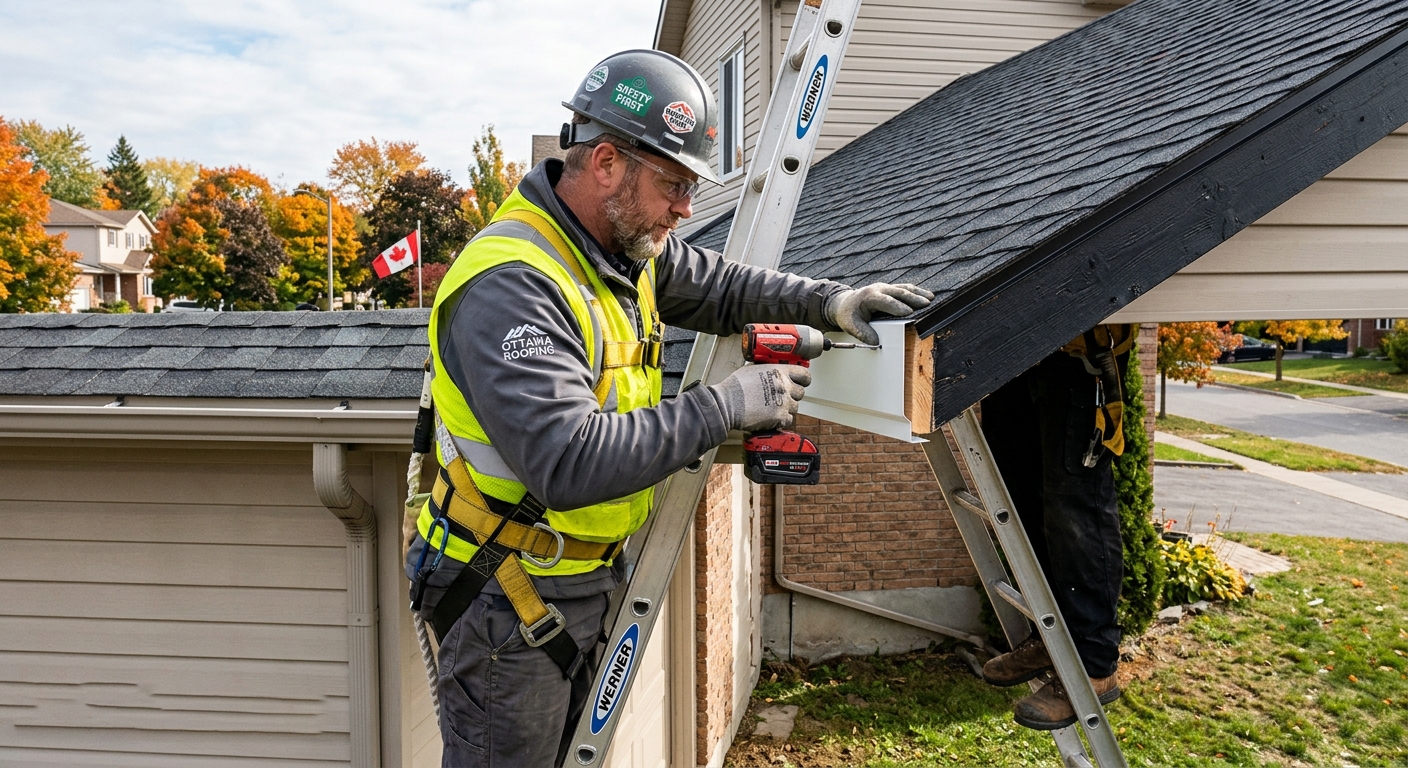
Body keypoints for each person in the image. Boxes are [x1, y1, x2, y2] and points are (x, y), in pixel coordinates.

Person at [404, 49, 934, 767]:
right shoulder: (514, 284)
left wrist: (829, 302)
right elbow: (567, 461)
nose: (686, 209)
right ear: (607, 163)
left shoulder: (620, 249)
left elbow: (720, 287)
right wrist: (728, 405)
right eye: (674, 184)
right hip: (507, 593)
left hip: (577, 577)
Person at [978, 324, 1137, 730]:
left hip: (1080, 352)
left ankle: (1094, 667)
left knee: (1075, 508)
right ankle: (1048, 639)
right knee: (1023, 501)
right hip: (1015, 350)